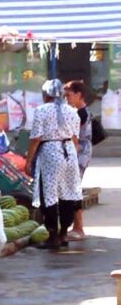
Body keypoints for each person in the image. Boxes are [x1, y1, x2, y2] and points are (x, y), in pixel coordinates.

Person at [26, 79, 83, 249]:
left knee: (48, 194)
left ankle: (52, 236)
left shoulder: (41, 111)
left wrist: (29, 160)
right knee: (68, 193)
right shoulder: (72, 111)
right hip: (69, 152)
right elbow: (75, 138)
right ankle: (64, 233)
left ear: (46, 95)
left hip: (50, 152)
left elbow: (36, 138)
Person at [64, 80, 91, 241]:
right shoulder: (80, 112)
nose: (67, 98)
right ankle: (76, 226)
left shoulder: (80, 114)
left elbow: (73, 136)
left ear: (79, 95)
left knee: (74, 189)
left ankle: (78, 227)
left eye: (69, 95)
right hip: (80, 154)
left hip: (79, 155)